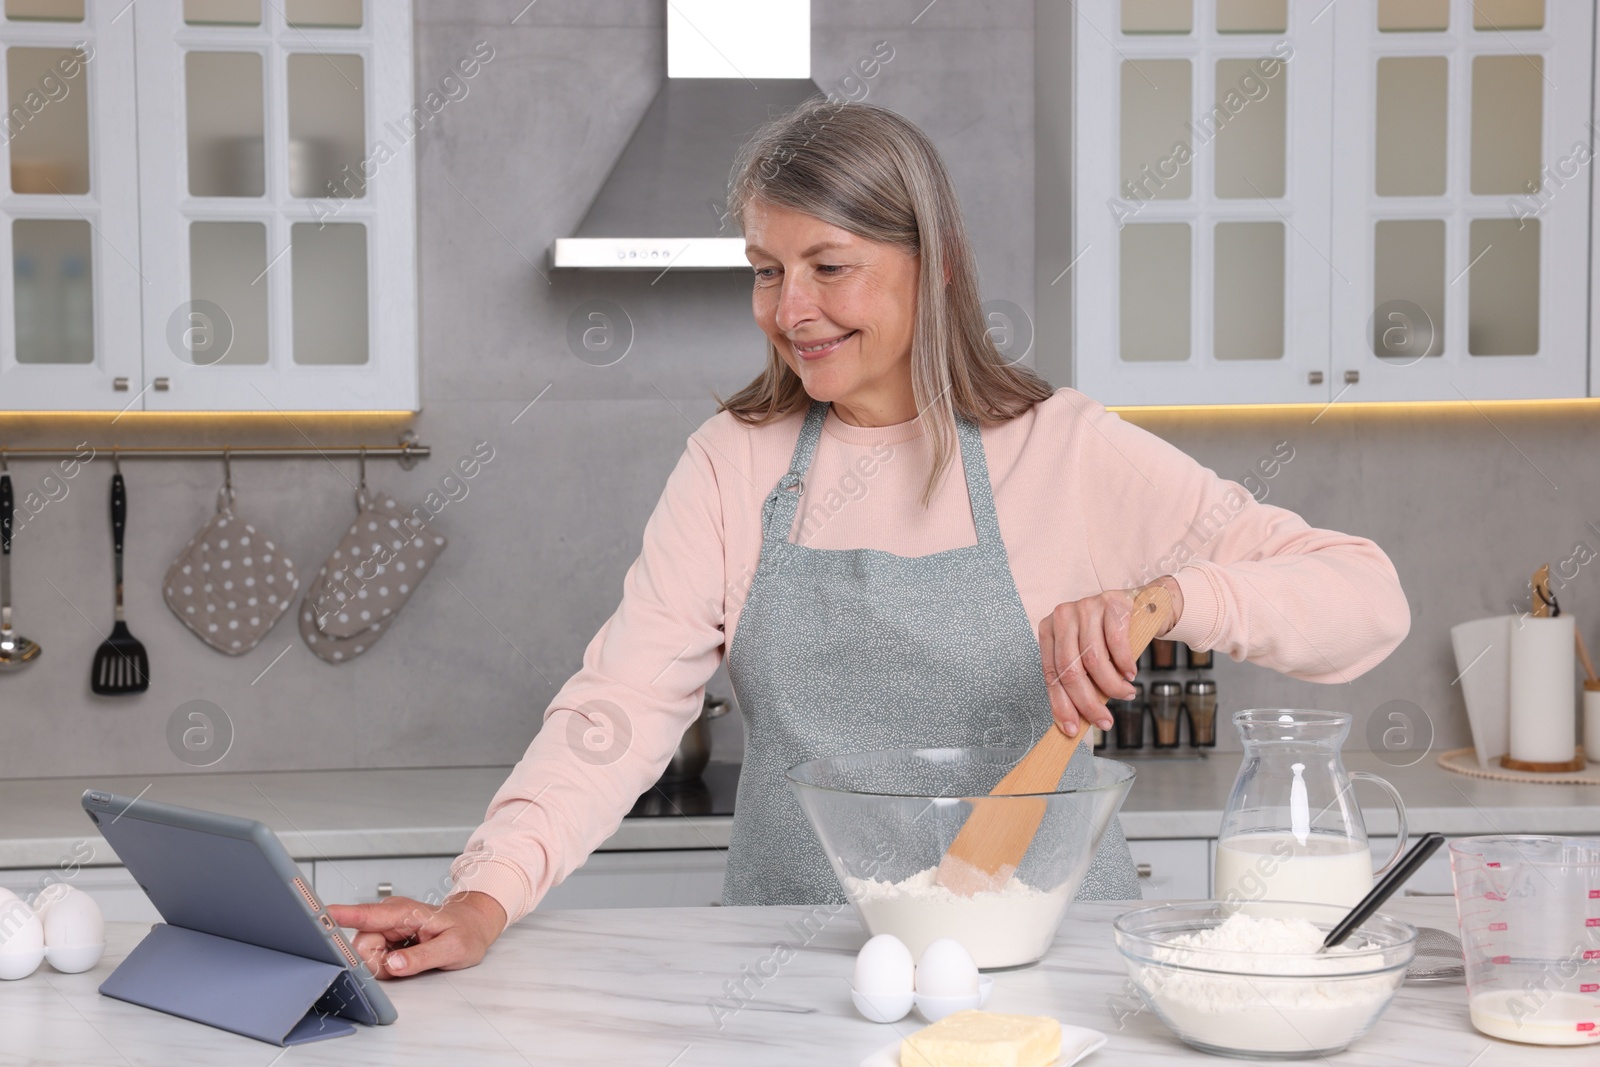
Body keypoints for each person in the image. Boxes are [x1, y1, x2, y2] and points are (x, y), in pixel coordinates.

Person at [327, 99, 1410, 978]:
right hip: (790, 968)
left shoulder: (1064, 451)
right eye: (764, 266)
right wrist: (481, 895)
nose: (788, 307)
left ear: (931, 263)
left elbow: (1363, 597)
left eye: (827, 265)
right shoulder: (733, 460)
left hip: (1046, 966)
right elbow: (619, 704)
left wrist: (1173, 600)